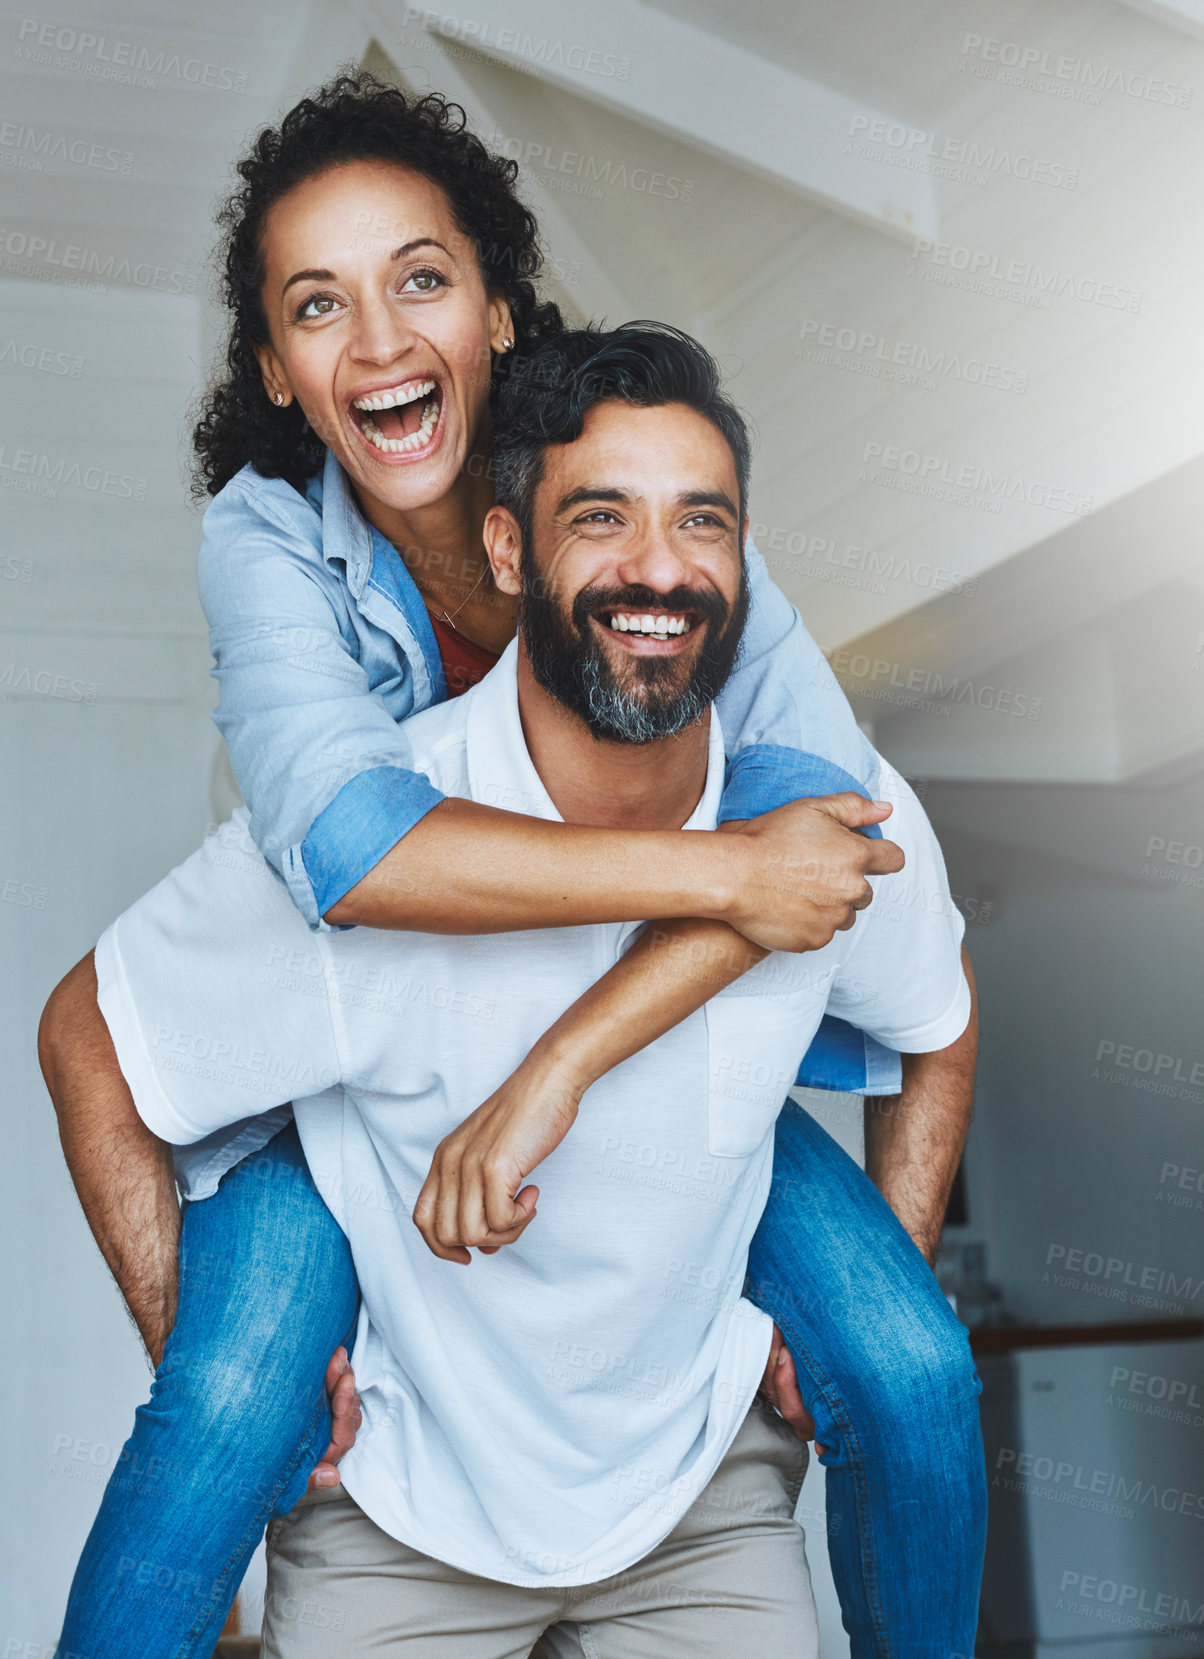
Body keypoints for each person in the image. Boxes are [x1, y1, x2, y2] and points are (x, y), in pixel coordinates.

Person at [39, 74, 985, 1659]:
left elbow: (818, 842)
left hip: (616, 1081)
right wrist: (721, 881)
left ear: (495, 303)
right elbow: (355, 850)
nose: (386, 340)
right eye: (320, 307)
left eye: (421, 278)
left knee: (908, 1368)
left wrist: (572, 1051)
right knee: (228, 1402)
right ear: (277, 369)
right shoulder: (268, 541)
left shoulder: (650, 524)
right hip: (339, 1067)